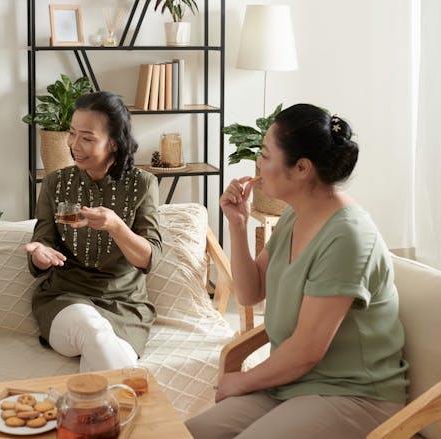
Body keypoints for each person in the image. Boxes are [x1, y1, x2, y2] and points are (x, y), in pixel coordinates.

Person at [185, 104, 408, 438]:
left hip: (354, 394)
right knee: (186, 432)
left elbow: (307, 350)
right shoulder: (295, 214)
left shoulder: (347, 235)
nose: (257, 164)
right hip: (295, 381)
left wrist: (243, 380)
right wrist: (238, 224)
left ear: (302, 168)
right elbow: (250, 292)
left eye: (265, 154)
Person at [24, 91, 162, 372]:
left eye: (87, 138)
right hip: (65, 301)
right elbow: (42, 242)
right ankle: (128, 409)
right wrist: (40, 255)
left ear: (114, 143)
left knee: (104, 348)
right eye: (72, 133)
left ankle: (90, 411)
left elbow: (150, 259)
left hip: (125, 307)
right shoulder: (55, 183)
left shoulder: (143, 184)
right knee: (92, 330)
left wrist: (116, 226)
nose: (74, 145)